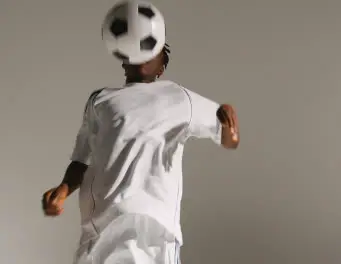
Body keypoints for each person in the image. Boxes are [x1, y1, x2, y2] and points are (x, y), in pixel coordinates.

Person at [41, 4, 239, 263]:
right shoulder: (101, 100)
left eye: (150, 50)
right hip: (102, 229)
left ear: (162, 63)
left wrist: (229, 129)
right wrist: (64, 188)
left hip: (154, 231)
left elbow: (225, 138)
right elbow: (82, 158)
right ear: (123, 54)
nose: (143, 55)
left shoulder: (179, 98)